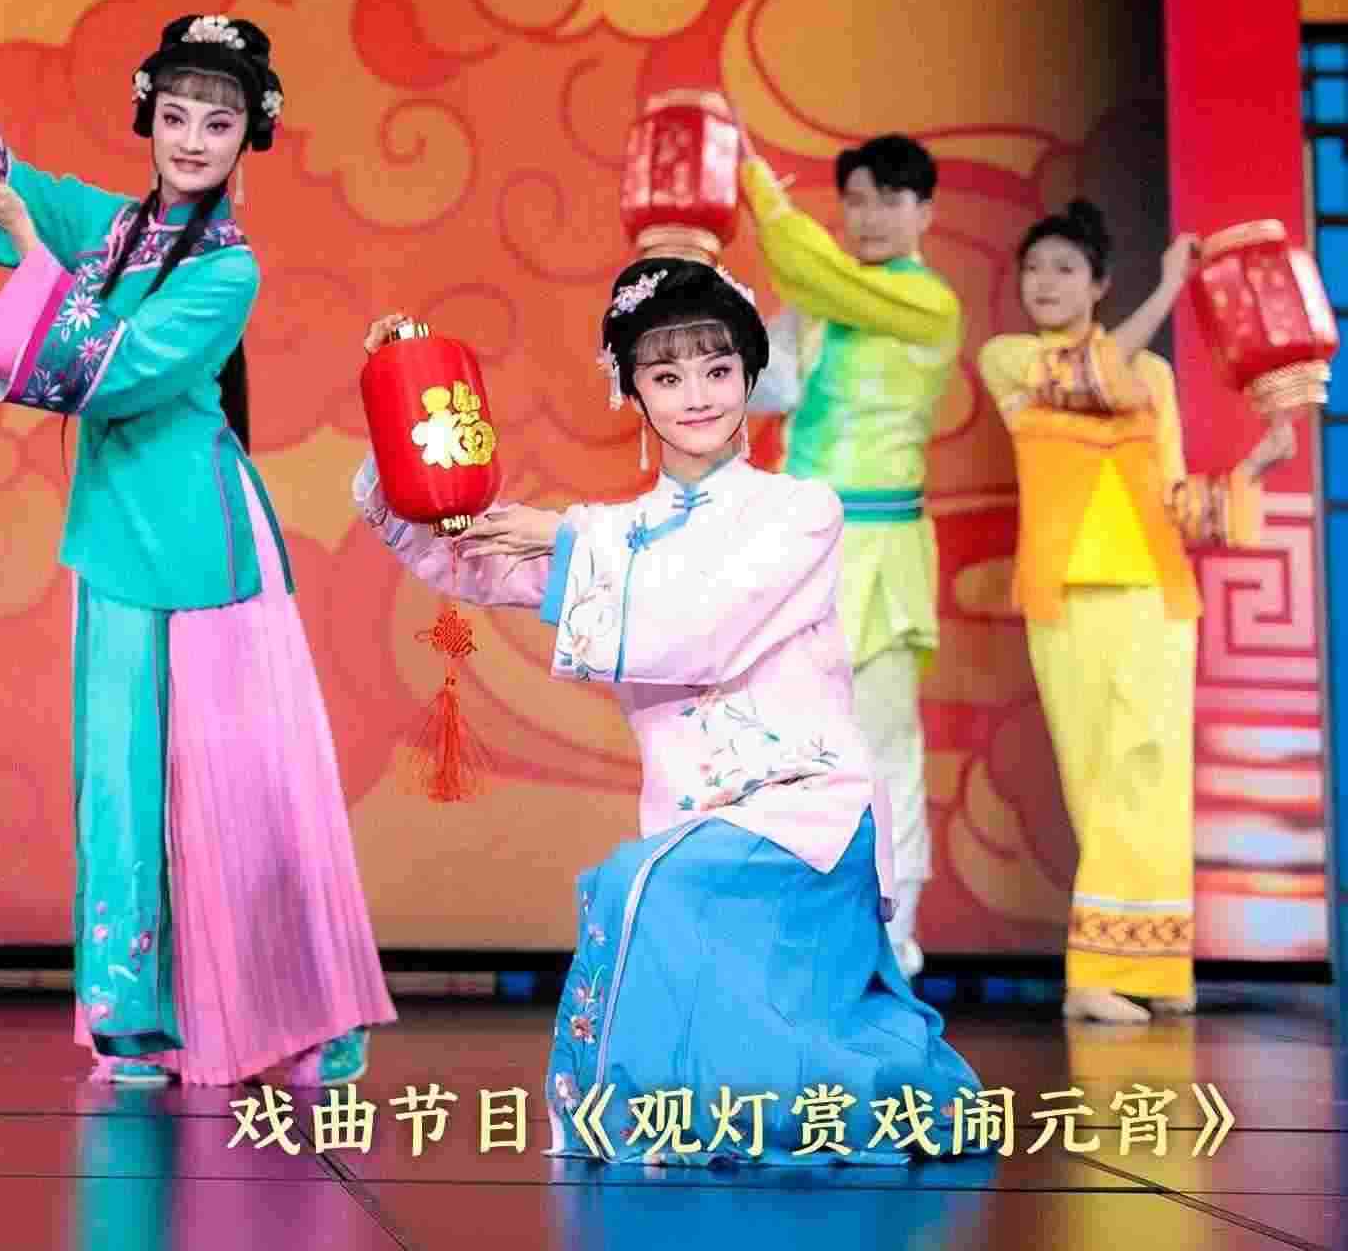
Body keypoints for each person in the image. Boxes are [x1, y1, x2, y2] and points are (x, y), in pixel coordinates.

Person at [357, 257, 981, 1166]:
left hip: (806, 810)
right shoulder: (608, 530)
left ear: (750, 375)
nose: (697, 395)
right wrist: (404, 409)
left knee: (637, 885)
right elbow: (463, 556)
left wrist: (565, 542)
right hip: (696, 818)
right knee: (748, 1061)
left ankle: (643, 1118)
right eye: (666, 374)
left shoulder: (801, 511)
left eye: (718, 369)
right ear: (633, 393)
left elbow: (698, 628)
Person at [0, 5, 393, 1088]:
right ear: (149, 117)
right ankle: (132, 1016)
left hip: (202, 540)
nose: (191, 139)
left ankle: (295, 1008)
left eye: (217, 123)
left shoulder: (230, 270)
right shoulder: (112, 228)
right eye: (176, 115)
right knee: (118, 779)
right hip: (114, 533)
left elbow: (112, 366)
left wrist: (33, 248)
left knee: (241, 781)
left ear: (247, 138)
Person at [977, 202, 1294, 1023]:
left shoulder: (1153, 376)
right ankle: (1102, 974)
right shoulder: (1011, 360)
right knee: (1098, 782)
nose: (1045, 283)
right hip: (1067, 597)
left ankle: (1142, 968)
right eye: (1034, 269)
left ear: (1098, 285)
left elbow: (1179, 500)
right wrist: (1168, 289)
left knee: (1150, 772)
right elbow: (1090, 378)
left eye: (1065, 269)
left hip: (1155, 595)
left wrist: (1257, 465)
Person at [741, 132, 960, 977]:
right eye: (857, 201)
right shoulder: (822, 308)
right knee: (793, 744)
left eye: (890, 201)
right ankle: (807, 928)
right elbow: (756, 385)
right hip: (802, 546)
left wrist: (763, 196)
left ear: (925, 213)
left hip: (883, 554)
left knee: (884, 744)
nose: (870, 218)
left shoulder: (927, 304)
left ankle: (894, 935)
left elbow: (816, 272)